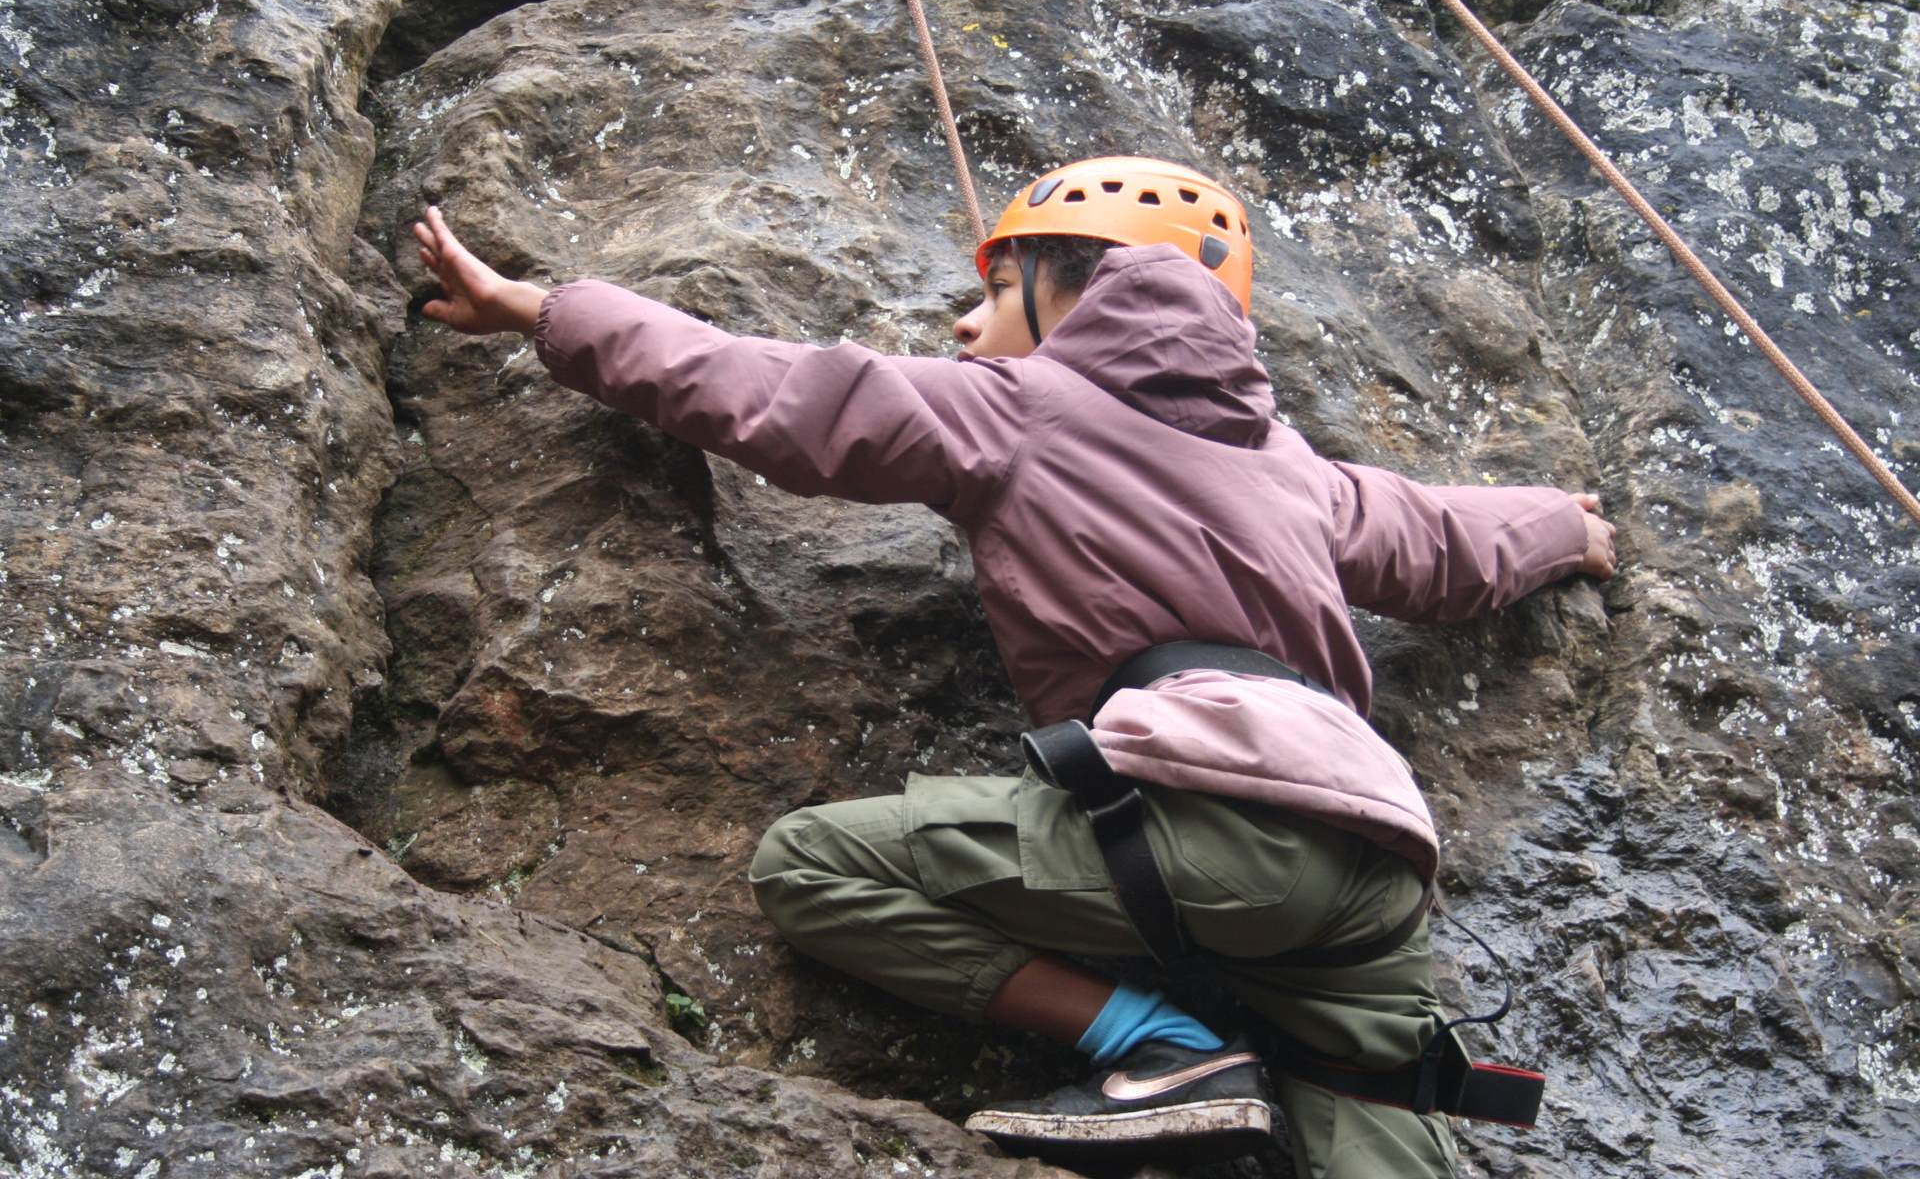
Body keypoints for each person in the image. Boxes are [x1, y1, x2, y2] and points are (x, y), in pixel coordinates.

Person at [412, 156, 1616, 1176]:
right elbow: (1446, 538)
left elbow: (768, 392)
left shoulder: (1015, 406)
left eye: (994, 289)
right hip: (1377, 860)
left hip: (1215, 829)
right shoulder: (1290, 463)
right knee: (1379, 1107)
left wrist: (542, 311)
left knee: (812, 863)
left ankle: (1161, 1046)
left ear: (1076, 288)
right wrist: (1569, 526)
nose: (962, 323)